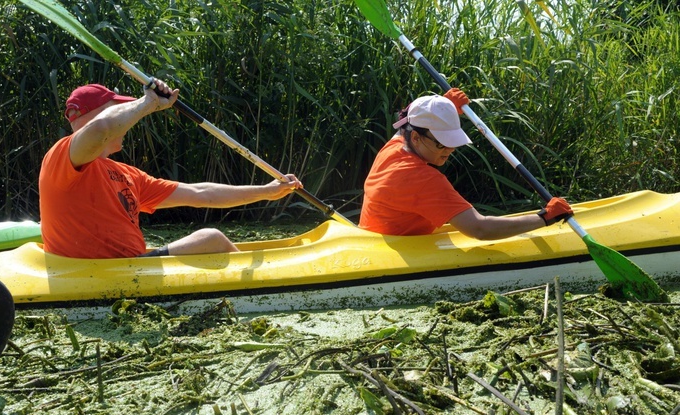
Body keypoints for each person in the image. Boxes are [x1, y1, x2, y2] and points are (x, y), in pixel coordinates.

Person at [39, 80, 302, 259]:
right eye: (119, 109)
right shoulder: (61, 158)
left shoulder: (128, 175)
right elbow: (100, 130)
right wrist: (146, 104)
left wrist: (267, 191)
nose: (128, 118)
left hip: (133, 267)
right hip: (94, 274)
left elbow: (201, 193)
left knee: (209, 239)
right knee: (212, 238)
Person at [359, 89, 573, 239]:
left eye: (453, 142)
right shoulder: (422, 179)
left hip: (373, 238)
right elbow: (479, 229)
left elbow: (406, 119)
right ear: (416, 137)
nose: (450, 150)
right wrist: (545, 218)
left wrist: (445, 108)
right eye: (442, 143)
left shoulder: (396, 145)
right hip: (397, 254)